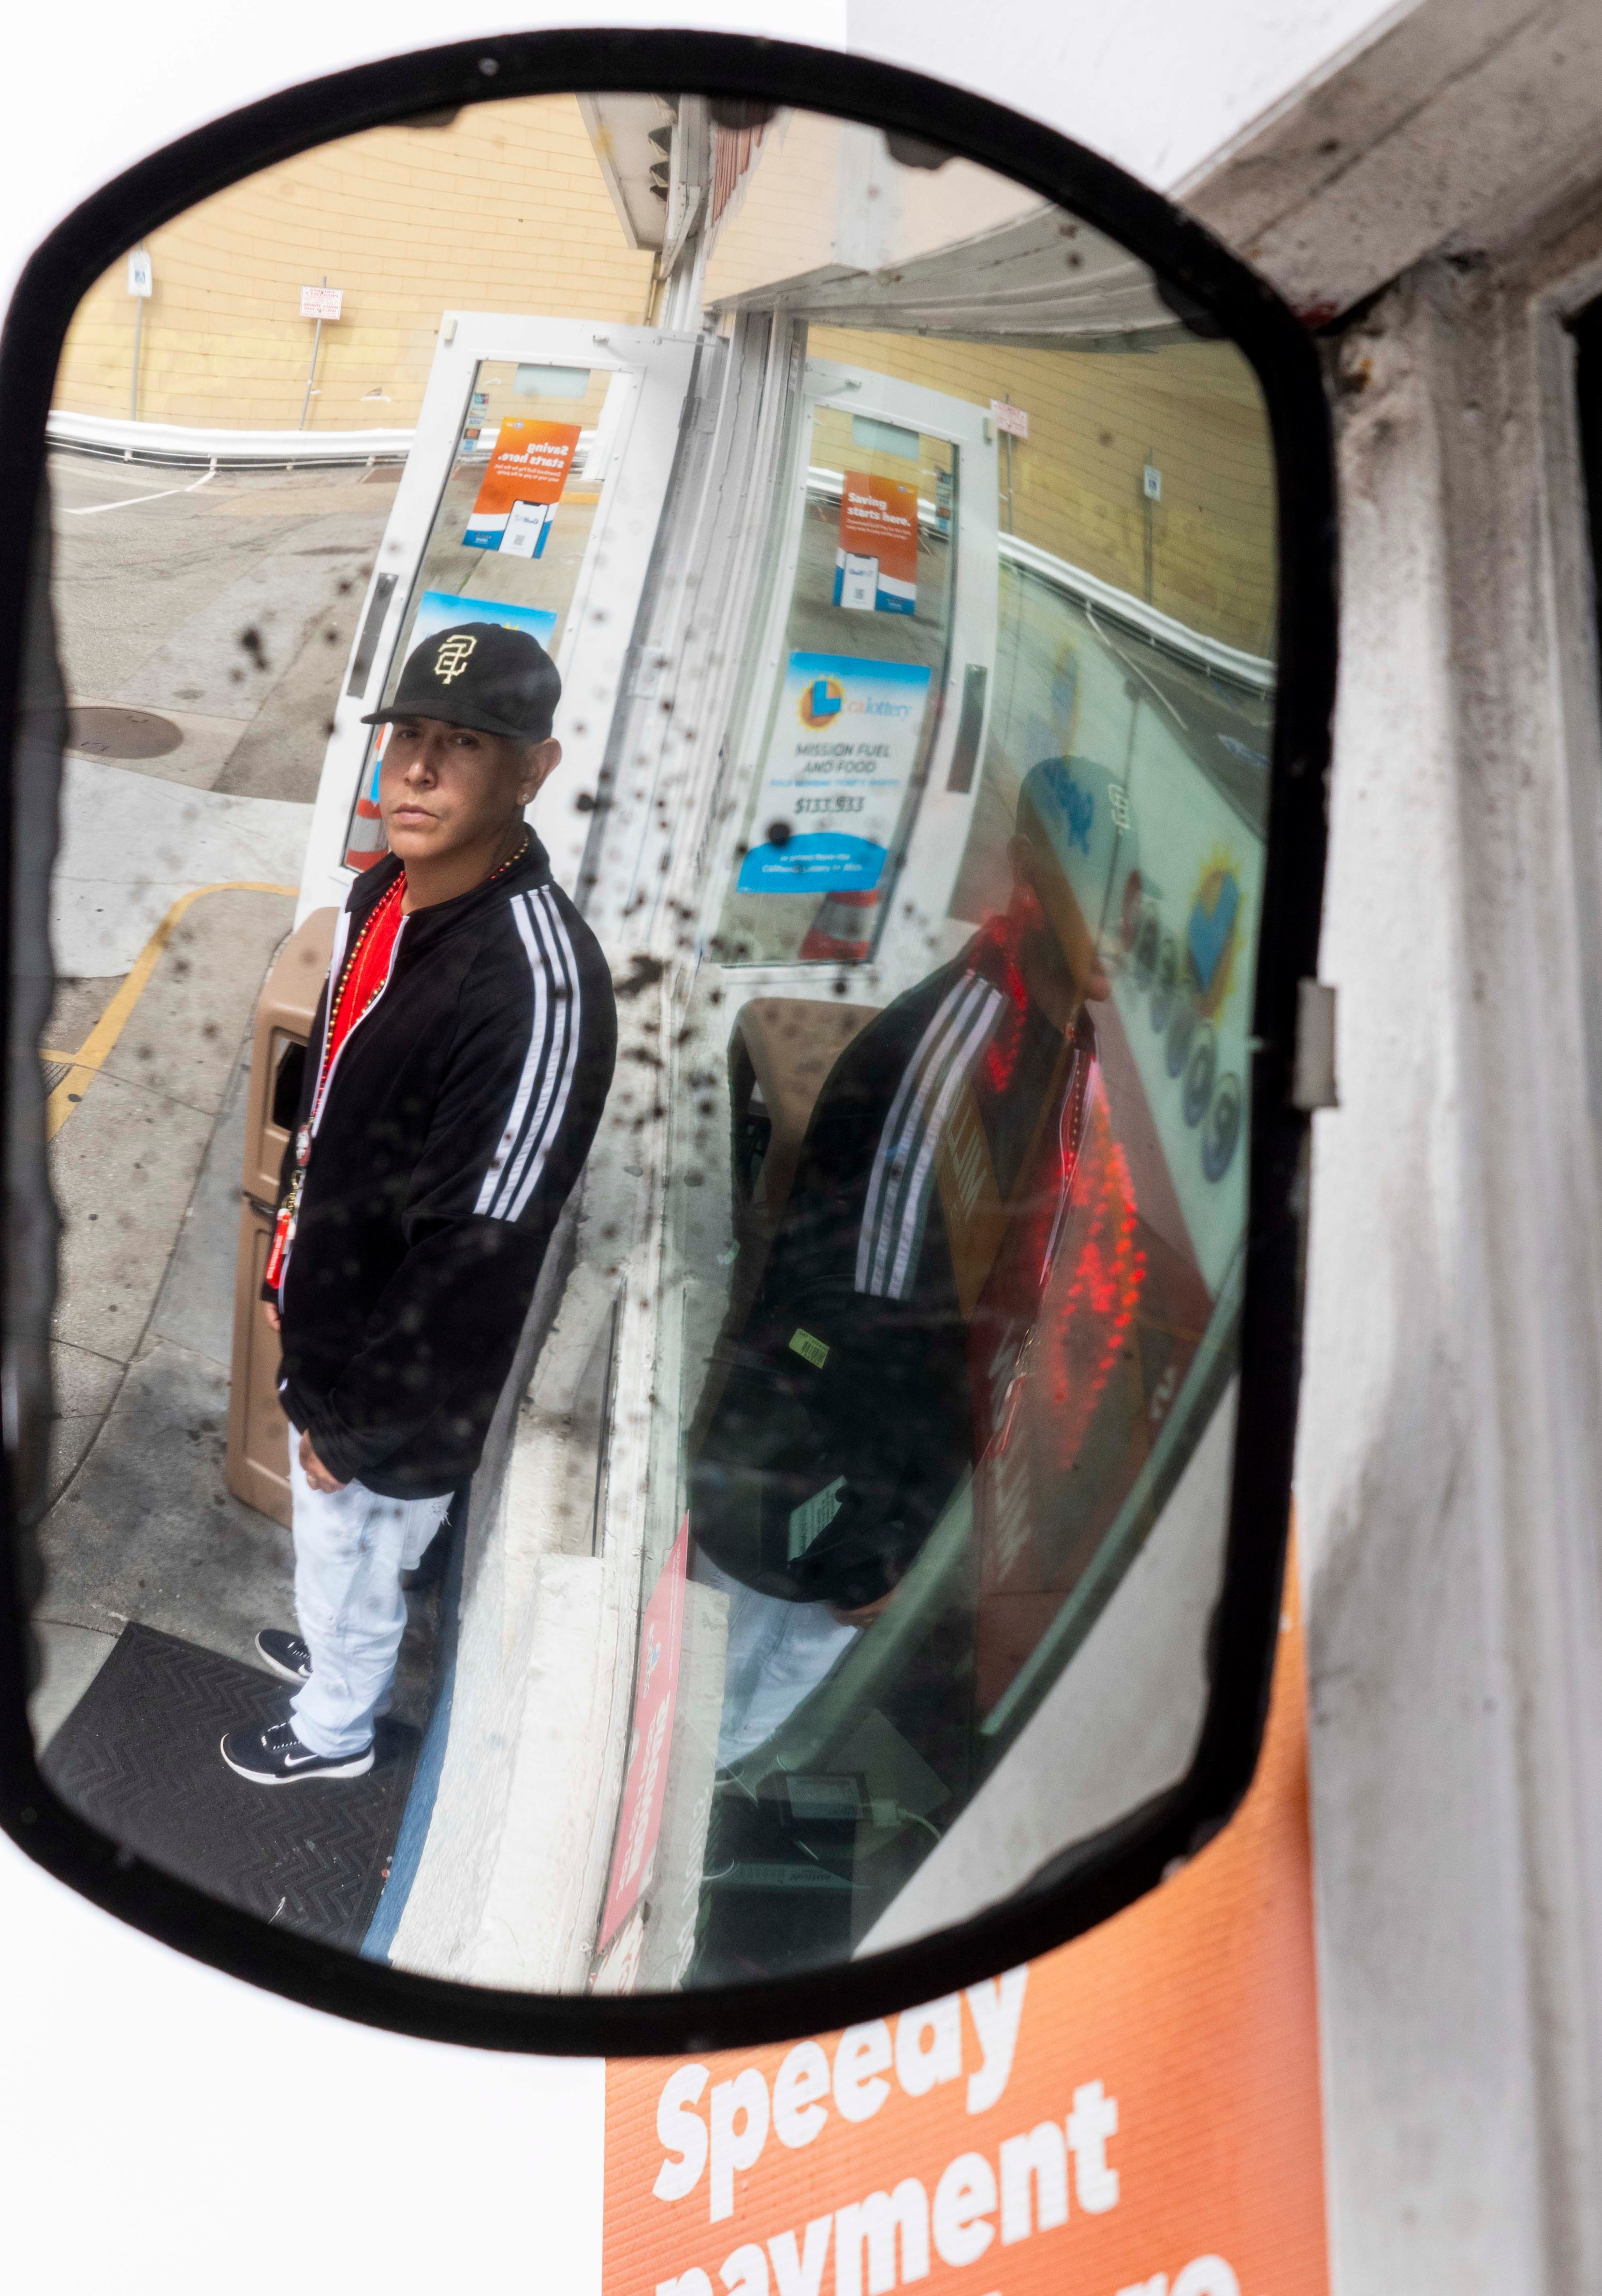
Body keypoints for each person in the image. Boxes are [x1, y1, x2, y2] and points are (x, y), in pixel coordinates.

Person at [221, 620, 616, 1785]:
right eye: (409, 740)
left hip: (389, 1396)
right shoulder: (390, 889)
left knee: (356, 1545)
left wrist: (357, 1426)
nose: (421, 771)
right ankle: (339, 1650)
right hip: (334, 1331)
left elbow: (478, 1251)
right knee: (339, 1554)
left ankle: (335, 1727)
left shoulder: (535, 981)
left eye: (466, 745)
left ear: (535, 768)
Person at [688, 760, 1110, 1779]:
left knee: (763, 1726)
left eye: (1128, 893)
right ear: (1025, 877)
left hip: (907, 1476)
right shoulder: (958, 1053)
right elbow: (856, 1324)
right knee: (715, 1721)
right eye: (1086, 882)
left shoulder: (1068, 1036)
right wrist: (876, 1547)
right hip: (818, 1495)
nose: (1113, 921)